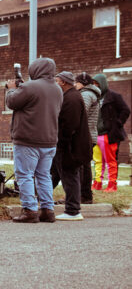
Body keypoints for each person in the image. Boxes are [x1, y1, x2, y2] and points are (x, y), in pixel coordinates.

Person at [5, 58, 63, 223]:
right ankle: (47, 209)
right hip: (50, 140)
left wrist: (12, 89)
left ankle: (30, 210)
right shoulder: (57, 89)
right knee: (44, 175)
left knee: (25, 175)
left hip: (28, 140)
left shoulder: (30, 86)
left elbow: (12, 102)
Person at [52, 71, 92, 221]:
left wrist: (61, 142)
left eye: (56, 81)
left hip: (70, 147)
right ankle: (45, 203)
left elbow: (69, 125)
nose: (55, 83)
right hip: (70, 145)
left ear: (63, 82)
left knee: (70, 176)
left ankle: (73, 210)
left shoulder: (71, 98)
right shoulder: (72, 96)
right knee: (58, 174)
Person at [92, 74, 130, 192]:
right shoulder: (94, 97)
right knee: (98, 161)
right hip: (96, 135)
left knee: (111, 161)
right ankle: (97, 183)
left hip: (110, 135)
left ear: (103, 84)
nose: (95, 86)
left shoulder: (114, 96)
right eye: (94, 84)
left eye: (97, 84)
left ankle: (112, 184)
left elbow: (126, 110)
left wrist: (117, 123)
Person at [74, 72, 101, 204]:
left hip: (85, 136)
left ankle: (81, 195)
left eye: (76, 82)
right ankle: (85, 195)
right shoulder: (91, 94)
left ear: (82, 83)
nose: (74, 85)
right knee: (85, 166)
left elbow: (79, 112)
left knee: (81, 167)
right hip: (90, 135)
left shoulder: (86, 95)